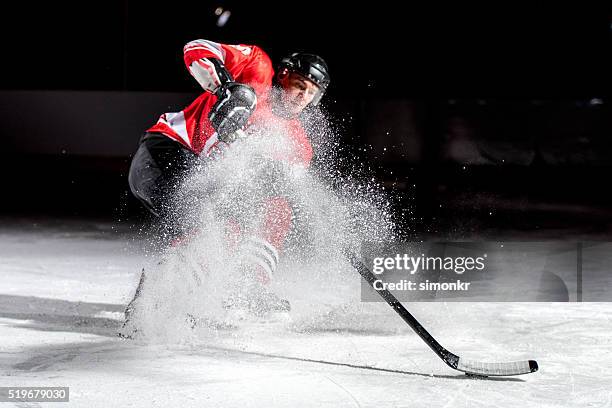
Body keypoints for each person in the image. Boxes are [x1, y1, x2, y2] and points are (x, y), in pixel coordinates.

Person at [123, 39, 330, 329]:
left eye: (310, 92)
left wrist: (275, 176)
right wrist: (224, 87)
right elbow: (195, 48)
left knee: (267, 213)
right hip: (166, 154)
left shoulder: (297, 144)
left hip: (209, 185)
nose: (302, 95)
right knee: (206, 220)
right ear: (283, 75)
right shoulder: (257, 69)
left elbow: (283, 187)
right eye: (299, 83)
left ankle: (246, 285)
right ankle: (157, 298)